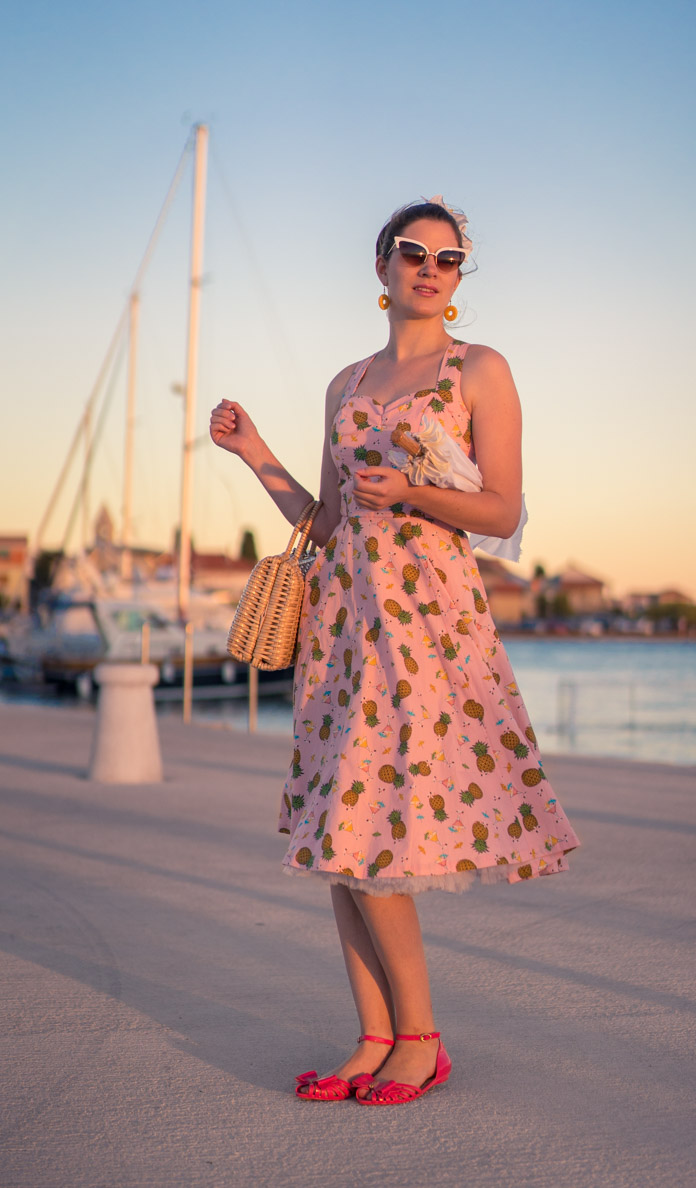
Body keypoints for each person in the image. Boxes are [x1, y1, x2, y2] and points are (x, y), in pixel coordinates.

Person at [209, 197, 580, 1106]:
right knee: (341, 836)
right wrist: (255, 453)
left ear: (458, 280)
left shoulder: (479, 370)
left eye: (448, 260)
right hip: (343, 623)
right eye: (412, 253)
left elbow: (500, 511)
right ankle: (374, 1036)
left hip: (426, 622)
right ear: (381, 267)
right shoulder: (345, 383)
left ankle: (421, 1038)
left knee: (367, 826)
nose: (429, 268)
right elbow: (330, 522)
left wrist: (413, 489)